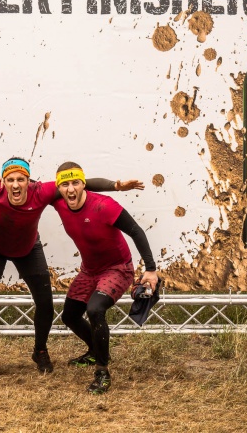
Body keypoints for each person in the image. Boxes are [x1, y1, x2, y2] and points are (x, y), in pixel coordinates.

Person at [0, 157, 142, 380]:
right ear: (3, 182)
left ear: (29, 181)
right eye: (10, 180)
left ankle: (40, 351)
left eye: (21, 180)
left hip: (28, 248)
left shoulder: (41, 192)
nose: (15, 185)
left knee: (45, 301)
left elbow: (78, 182)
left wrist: (115, 185)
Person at [53, 161, 158, 394]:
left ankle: (102, 372)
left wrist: (150, 268)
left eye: (76, 183)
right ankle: (95, 351)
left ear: (84, 184)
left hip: (117, 268)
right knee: (69, 316)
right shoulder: (57, 201)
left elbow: (136, 231)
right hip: (89, 270)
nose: (70, 189)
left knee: (95, 309)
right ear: (58, 187)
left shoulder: (104, 205)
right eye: (65, 185)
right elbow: (25, 187)